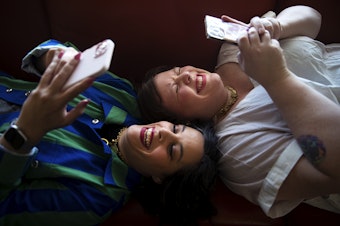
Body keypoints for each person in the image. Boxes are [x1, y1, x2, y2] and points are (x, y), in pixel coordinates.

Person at [137, 5, 340, 218]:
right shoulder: (237, 152)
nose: (185, 76)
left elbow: (313, 17)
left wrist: (276, 27)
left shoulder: (231, 51)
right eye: (177, 89)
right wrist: (277, 79)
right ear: (185, 123)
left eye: (178, 71)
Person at [0, 40, 221, 226]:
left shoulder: (92, 198)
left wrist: (24, 134)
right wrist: (58, 57)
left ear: (159, 179)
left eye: (172, 149)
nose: (164, 133)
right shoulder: (125, 96)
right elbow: (44, 56)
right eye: (174, 128)